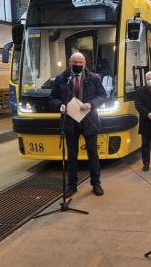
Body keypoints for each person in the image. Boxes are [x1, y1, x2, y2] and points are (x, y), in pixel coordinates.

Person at [49, 52, 107, 197]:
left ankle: (96, 183)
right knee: (72, 156)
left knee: (93, 154)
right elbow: (52, 98)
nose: (78, 66)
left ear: (85, 63)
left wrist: (91, 104)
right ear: (69, 62)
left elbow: (102, 96)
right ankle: (72, 184)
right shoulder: (61, 79)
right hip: (69, 122)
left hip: (89, 121)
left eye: (81, 63)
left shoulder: (93, 78)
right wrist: (60, 106)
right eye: (75, 63)